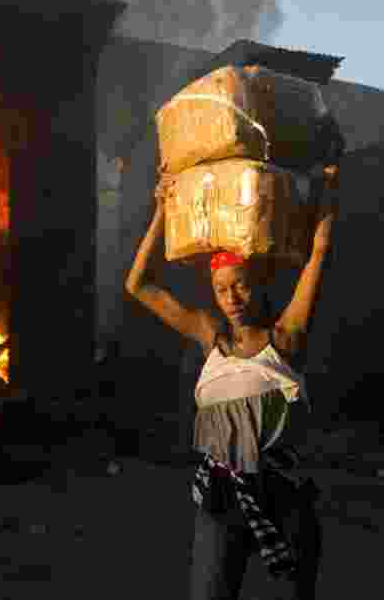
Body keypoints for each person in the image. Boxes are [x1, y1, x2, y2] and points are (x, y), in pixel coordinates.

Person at [125, 165, 338, 600]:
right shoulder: (210, 338)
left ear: (258, 284)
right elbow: (138, 284)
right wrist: (161, 210)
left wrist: (330, 190)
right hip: (221, 493)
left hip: (282, 491)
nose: (232, 299)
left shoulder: (284, 338)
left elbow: (319, 252)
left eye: (239, 286)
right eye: (222, 290)